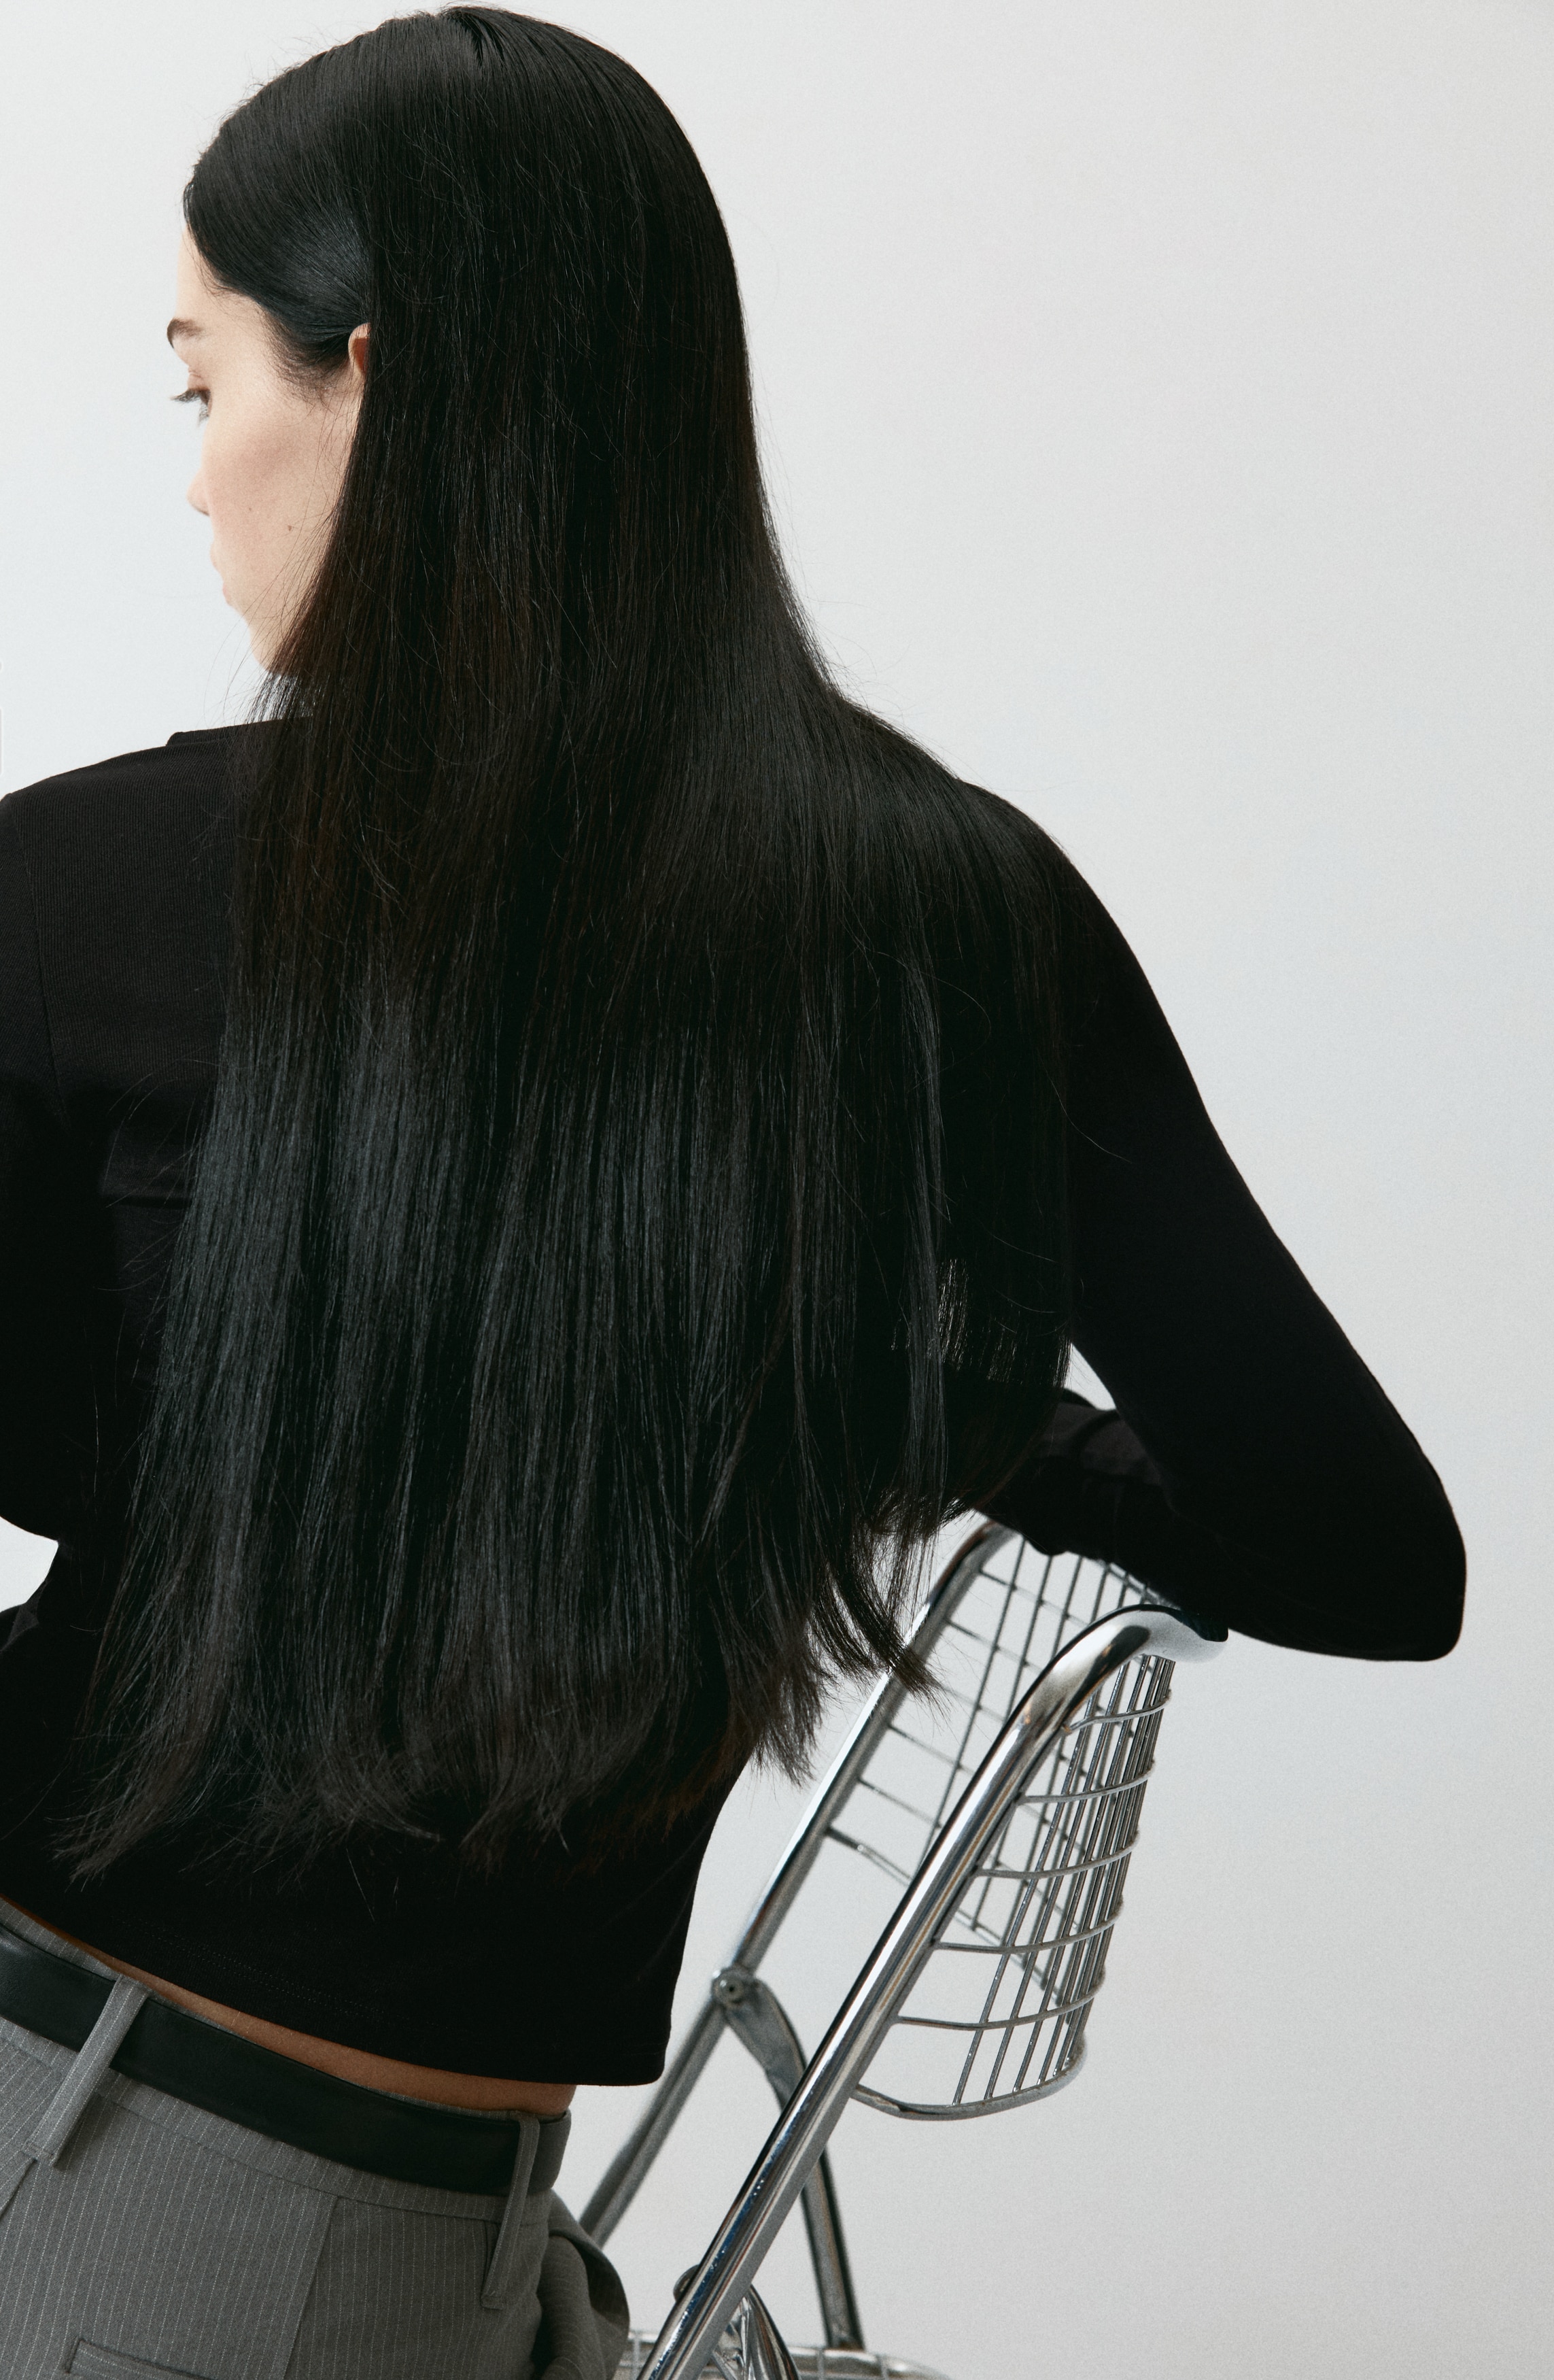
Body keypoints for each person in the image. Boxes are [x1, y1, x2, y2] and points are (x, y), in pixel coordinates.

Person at [0, 8, 1464, 2374]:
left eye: (202, 381)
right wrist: (917, 1403)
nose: (193, 478)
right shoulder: (953, 919)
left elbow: (70, 1458)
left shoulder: (91, 892)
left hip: (139, 2193)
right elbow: (1359, 1550)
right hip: (359, 2225)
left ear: (368, 381)